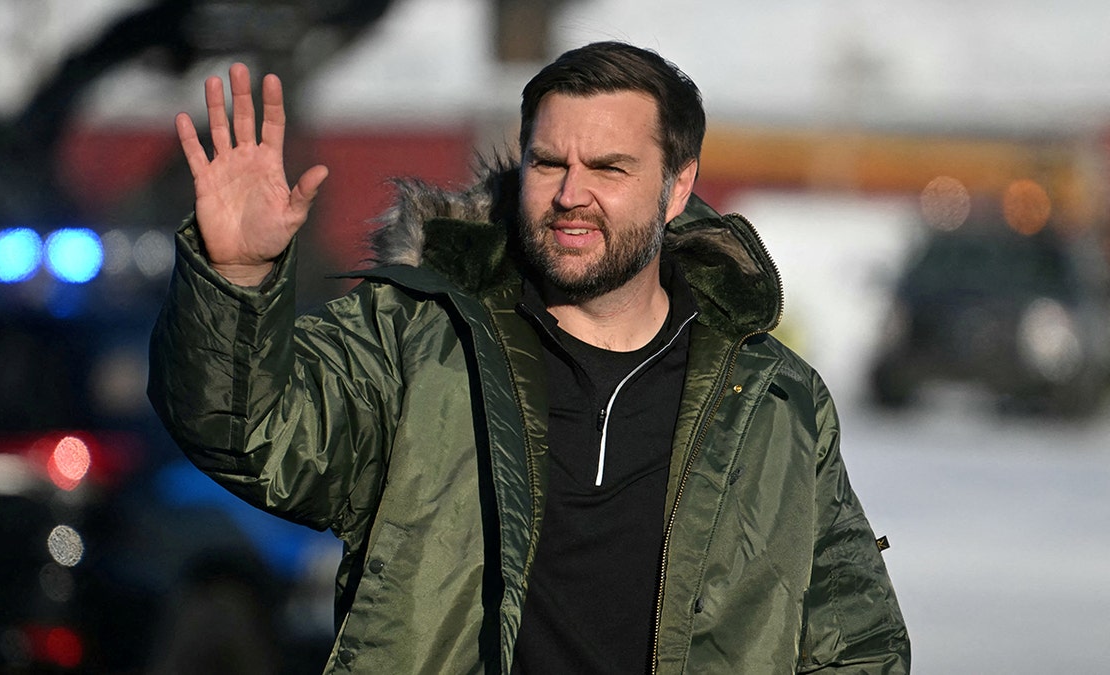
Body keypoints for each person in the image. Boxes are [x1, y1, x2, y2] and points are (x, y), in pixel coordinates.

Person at [149, 41, 910, 673]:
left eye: (609, 167)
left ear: (676, 188)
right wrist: (236, 275)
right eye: (549, 163)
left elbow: (857, 643)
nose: (571, 193)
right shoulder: (417, 341)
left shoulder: (775, 401)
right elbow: (248, 431)